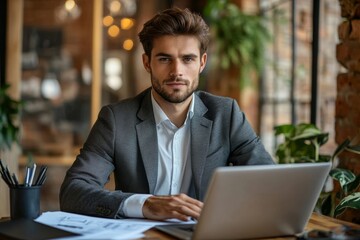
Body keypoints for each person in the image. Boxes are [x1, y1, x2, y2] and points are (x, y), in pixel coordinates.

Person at [60, 7, 274, 221]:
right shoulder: (116, 120)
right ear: (147, 63)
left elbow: (270, 183)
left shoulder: (226, 115)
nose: (177, 71)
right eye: (164, 59)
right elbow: (73, 192)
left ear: (202, 62)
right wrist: (145, 204)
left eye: (188, 59)